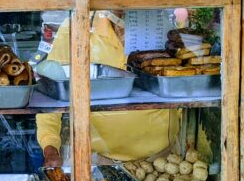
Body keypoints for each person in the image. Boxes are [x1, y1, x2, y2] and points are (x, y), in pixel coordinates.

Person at [36, 11, 181, 167]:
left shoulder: (162, 25)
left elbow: (183, 81)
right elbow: (52, 91)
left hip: (163, 159)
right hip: (98, 159)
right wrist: (50, 145)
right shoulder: (78, 25)